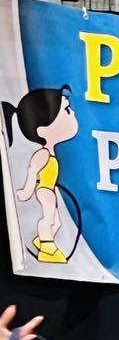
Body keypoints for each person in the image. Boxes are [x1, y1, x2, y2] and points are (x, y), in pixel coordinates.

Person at [3, 85, 80, 263]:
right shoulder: (43, 154)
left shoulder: (50, 153)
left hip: (49, 189)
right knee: (48, 219)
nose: (73, 113)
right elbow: (32, 171)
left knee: (57, 222)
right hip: (45, 190)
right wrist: (26, 191)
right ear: (42, 131)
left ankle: (41, 241)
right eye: (67, 110)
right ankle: (47, 247)